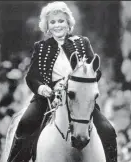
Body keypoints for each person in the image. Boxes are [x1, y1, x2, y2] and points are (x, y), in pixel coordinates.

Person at [7, 1, 117, 162]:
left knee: (108, 129)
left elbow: (96, 71)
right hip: (47, 97)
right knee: (25, 123)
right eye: (52, 22)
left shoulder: (82, 42)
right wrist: (42, 88)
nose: (57, 25)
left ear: (68, 23)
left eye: (61, 21)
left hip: (79, 98)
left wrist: (84, 78)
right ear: (47, 26)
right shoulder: (41, 46)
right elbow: (31, 77)